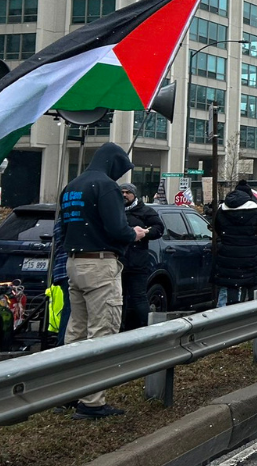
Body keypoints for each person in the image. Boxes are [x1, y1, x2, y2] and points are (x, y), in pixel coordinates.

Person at [60, 143, 146, 419]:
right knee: (102, 331)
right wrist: (135, 233)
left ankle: (68, 392)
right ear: (113, 165)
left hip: (74, 262)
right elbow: (117, 229)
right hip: (100, 264)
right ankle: (92, 403)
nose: (119, 179)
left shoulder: (71, 187)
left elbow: (61, 229)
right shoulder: (106, 186)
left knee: (76, 331)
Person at [211, 180, 257, 307]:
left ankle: (226, 317)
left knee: (231, 285)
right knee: (252, 287)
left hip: (228, 255)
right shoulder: (256, 210)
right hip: (250, 254)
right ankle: (253, 315)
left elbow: (217, 227)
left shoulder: (222, 209)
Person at [118, 183, 164, 331]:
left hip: (137, 262)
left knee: (138, 297)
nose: (124, 195)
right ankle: (119, 329)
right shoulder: (114, 210)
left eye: (127, 192)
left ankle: (143, 329)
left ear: (134, 194)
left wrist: (145, 233)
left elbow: (158, 228)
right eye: (122, 192)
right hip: (117, 262)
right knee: (118, 298)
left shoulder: (145, 211)